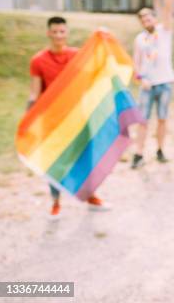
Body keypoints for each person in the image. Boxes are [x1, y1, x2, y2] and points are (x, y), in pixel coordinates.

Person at [28, 16, 109, 218]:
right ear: (48, 33)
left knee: (85, 159)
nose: (58, 35)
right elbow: (34, 93)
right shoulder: (38, 60)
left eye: (61, 31)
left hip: (78, 117)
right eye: (54, 32)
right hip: (52, 120)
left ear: (67, 33)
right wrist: (28, 116)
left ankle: (90, 196)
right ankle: (56, 203)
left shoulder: (76, 56)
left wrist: (102, 39)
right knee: (53, 162)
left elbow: (97, 66)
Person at [131, 0, 174, 168]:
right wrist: (140, 78)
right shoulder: (140, 39)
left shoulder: (164, 31)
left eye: (149, 18)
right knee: (143, 120)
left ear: (154, 19)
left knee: (162, 118)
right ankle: (138, 153)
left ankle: (160, 150)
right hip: (147, 85)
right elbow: (136, 62)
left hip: (165, 83)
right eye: (143, 20)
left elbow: (168, 11)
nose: (146, 22)